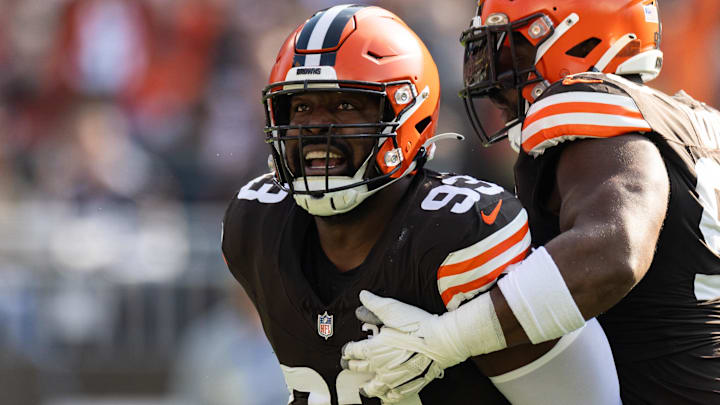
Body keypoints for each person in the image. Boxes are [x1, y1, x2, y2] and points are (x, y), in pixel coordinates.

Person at [222, 4, 620, 405]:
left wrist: (454, 338)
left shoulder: (457, 237)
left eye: (345, 105)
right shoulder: (257, 223)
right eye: (301, 107)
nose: (314, 126)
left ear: (406, 115)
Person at [341, 0, 720, 404]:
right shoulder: (696, 119)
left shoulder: (587, 105)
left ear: (580, 37)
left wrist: (448, 339)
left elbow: (613, 252)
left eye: (511, 49)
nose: (495, 77)